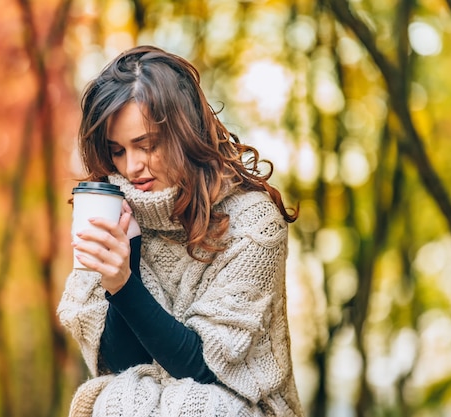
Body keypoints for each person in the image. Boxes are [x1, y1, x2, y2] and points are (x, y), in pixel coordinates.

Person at [57, 45, 303, 417]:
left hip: (242, 406)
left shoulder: (254, 223)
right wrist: (126, 258)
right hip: (149, 403)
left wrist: (125, 284)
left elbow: (203, 368)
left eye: (147, 145)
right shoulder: (116, 210)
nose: (132, 166)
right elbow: (122, 366)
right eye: (118, 151)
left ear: (186, 132)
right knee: (115, 400)